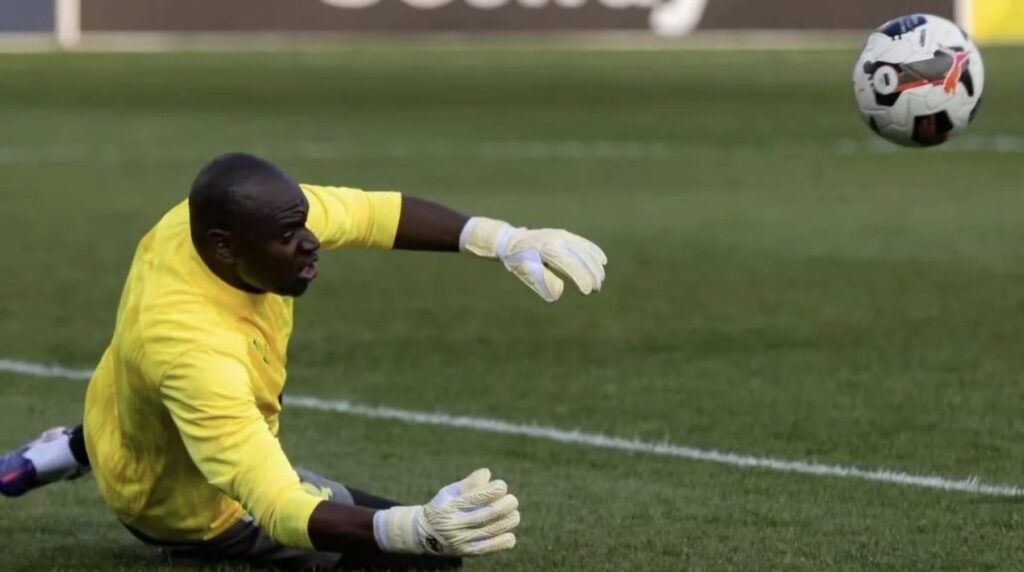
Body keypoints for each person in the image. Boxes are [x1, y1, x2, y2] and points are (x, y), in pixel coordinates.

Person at [0, 152, 607, 570]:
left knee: (151, 413)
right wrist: (412, 529)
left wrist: (502, 240)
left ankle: (68, 448)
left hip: (121, 415)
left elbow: (374, 214)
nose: (312, 241)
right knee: (428, 558)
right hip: (182, 509)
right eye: (290, 236)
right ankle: (161, 525)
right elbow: (277, 504)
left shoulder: (200, 227)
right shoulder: (192, 354)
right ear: (225, 247)